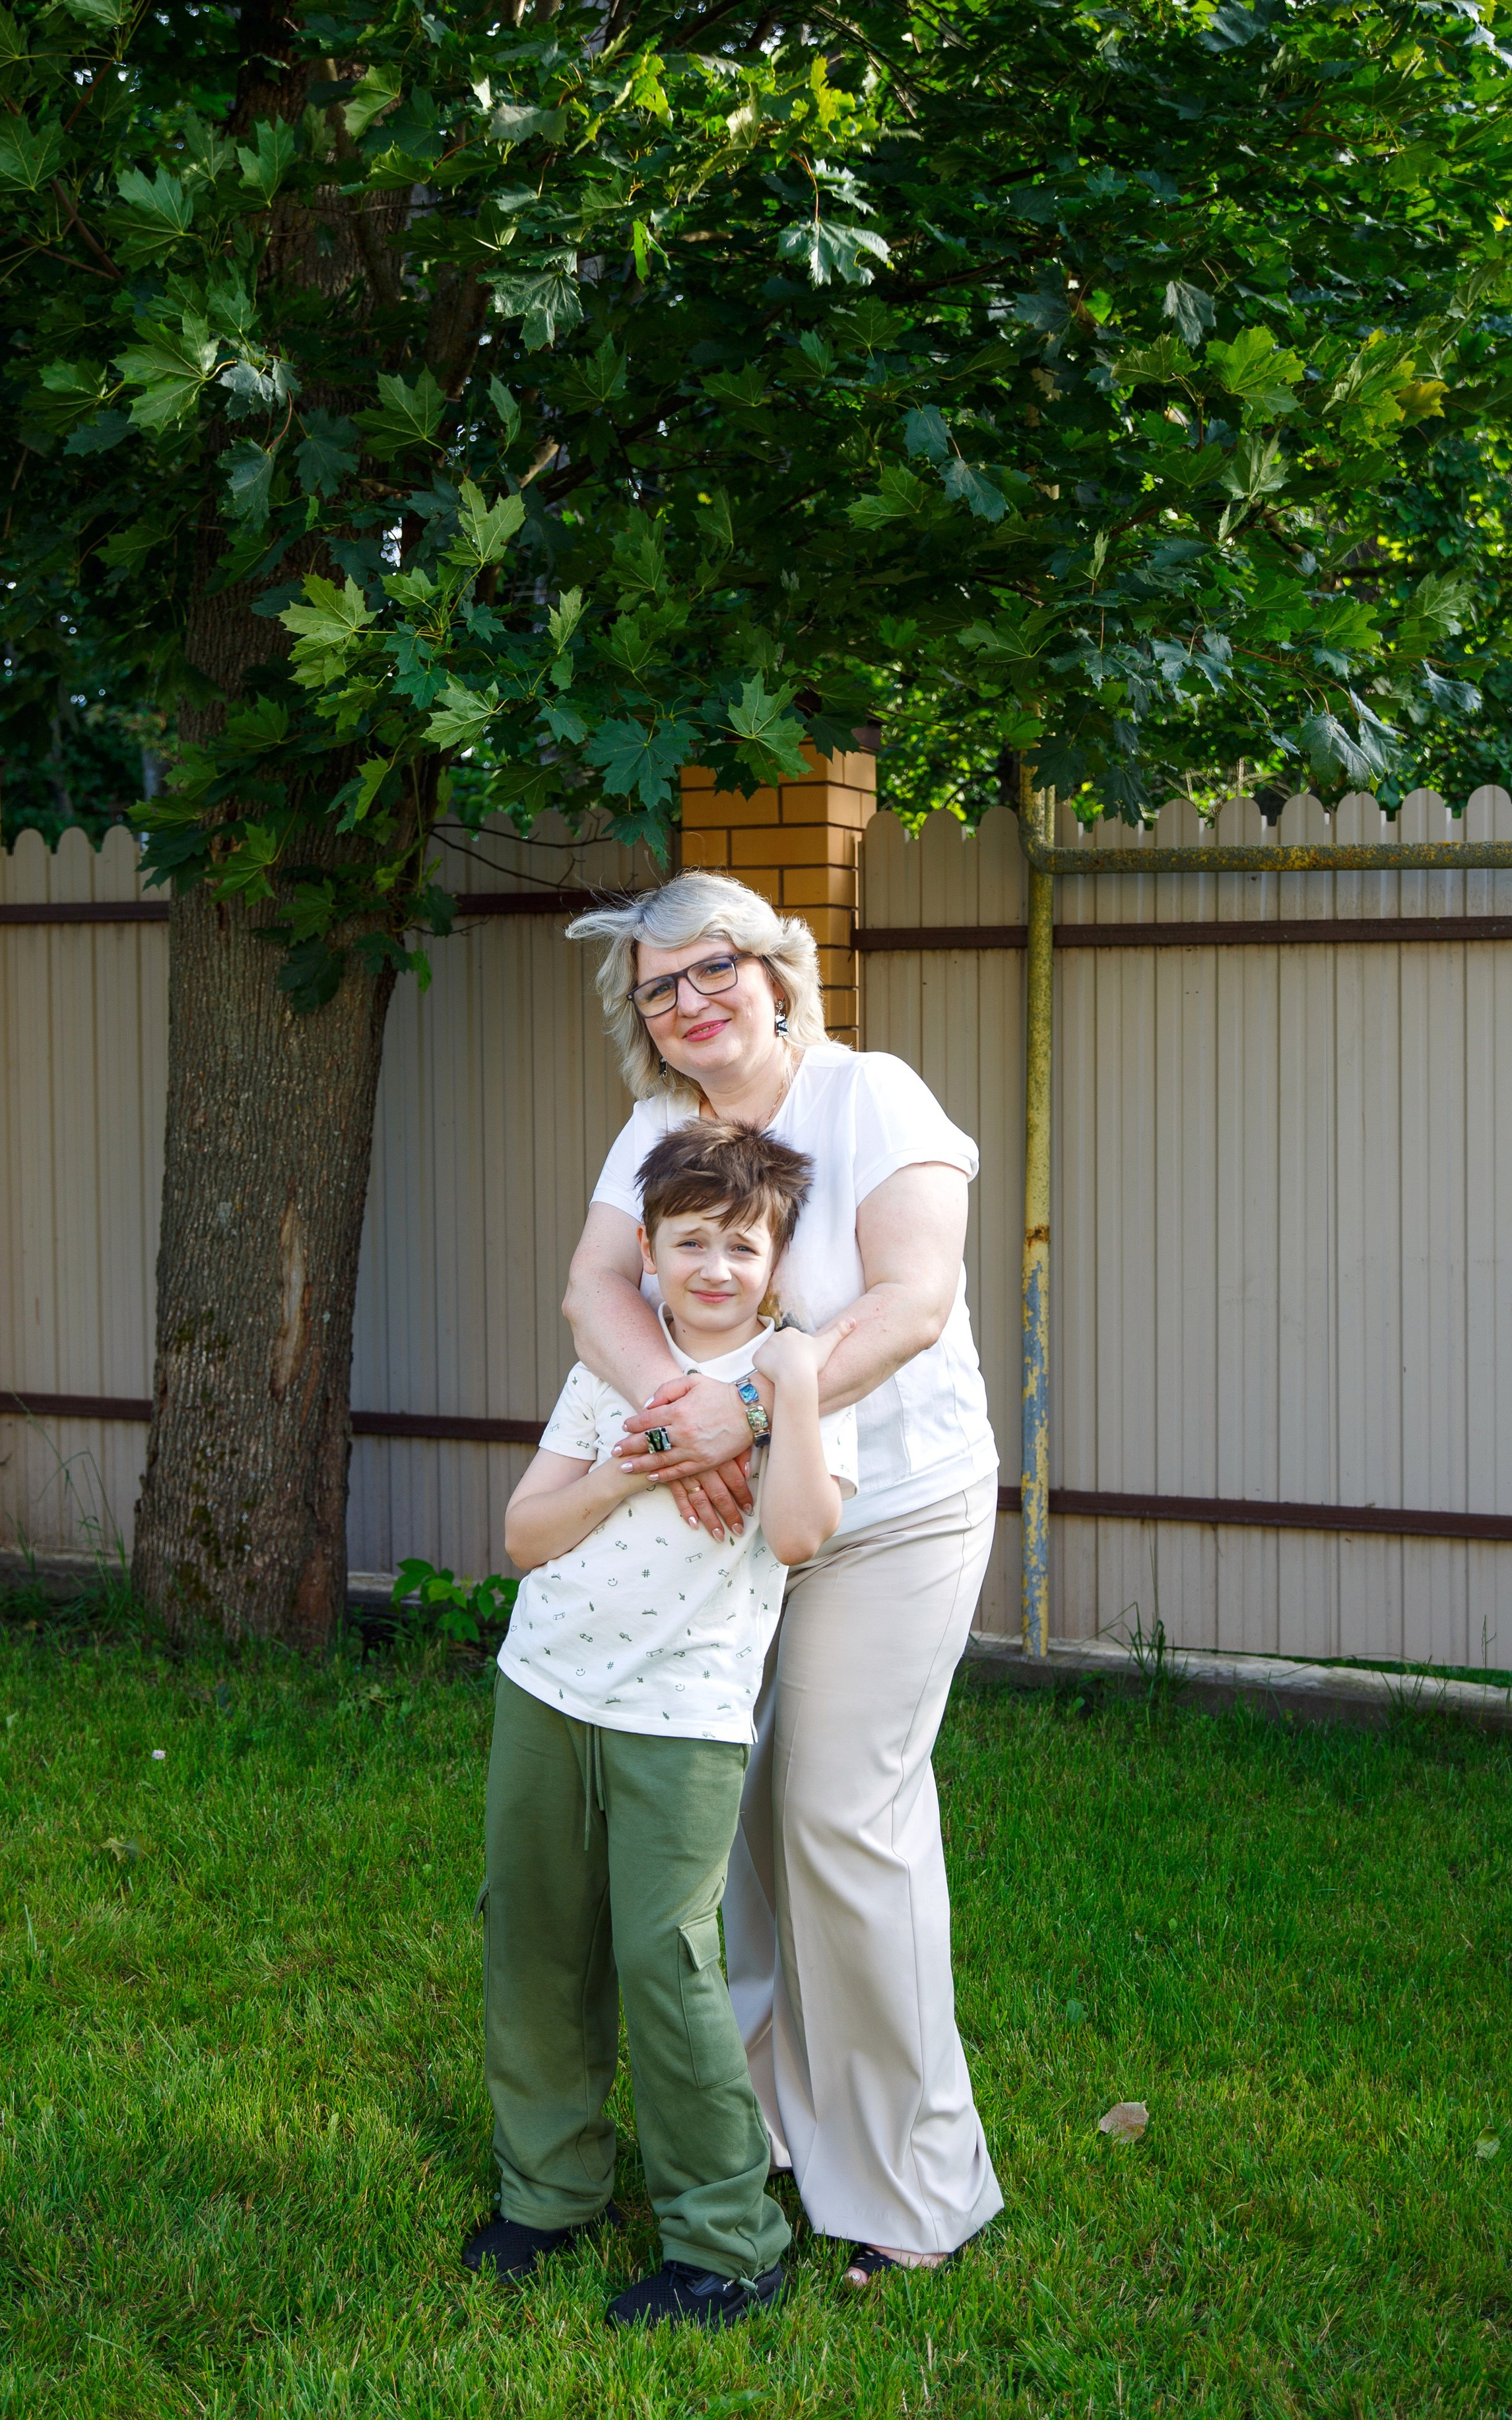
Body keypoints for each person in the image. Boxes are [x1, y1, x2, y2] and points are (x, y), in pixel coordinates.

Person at [564, 872, 1003, 2287]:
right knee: (728, 1818)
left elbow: (911, 1301)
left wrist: (736, 1411)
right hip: (732, 1516)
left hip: (896, 1510)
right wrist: (674, 1424)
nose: (690, 1001)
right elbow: (594, 1292)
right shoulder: (655, 1129)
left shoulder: (872, 1095)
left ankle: (913, 2185)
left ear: (774, 970)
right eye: (659, 987)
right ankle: (753, 2132)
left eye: (714, 968)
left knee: (838, 1815)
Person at [465, 1120, 858, 2330]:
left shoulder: (796, 1387)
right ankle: (550, 2192)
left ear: (777, 1264)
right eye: (690, 1241)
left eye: (742, 1245)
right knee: (535, 1938)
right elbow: (524, 1536)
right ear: (648, 1250)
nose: (715, 1267)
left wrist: (793, 1385)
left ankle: (729, 2242)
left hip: (682, 1716)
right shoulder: (612, 1372)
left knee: (667, 1961)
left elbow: (798, 1536)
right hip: (546, 1684)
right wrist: (626, 1469)